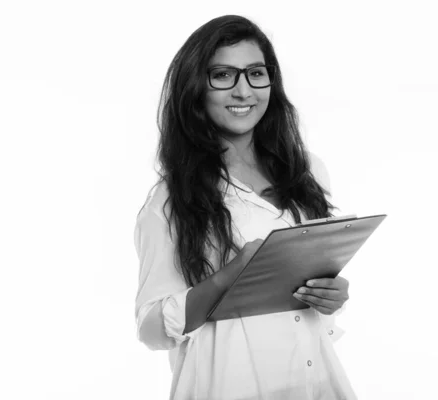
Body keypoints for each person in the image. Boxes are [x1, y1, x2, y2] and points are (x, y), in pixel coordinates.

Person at [133, 15, 357, 400]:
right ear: (196, 87)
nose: (243, 91)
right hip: (227, 385)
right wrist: (231, 276)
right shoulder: (172, 198)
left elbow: (309, 296)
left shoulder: (306, 171)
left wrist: (332, 296)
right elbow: (150, 329)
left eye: (255, 73)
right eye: (223, 75)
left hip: (315, 380)